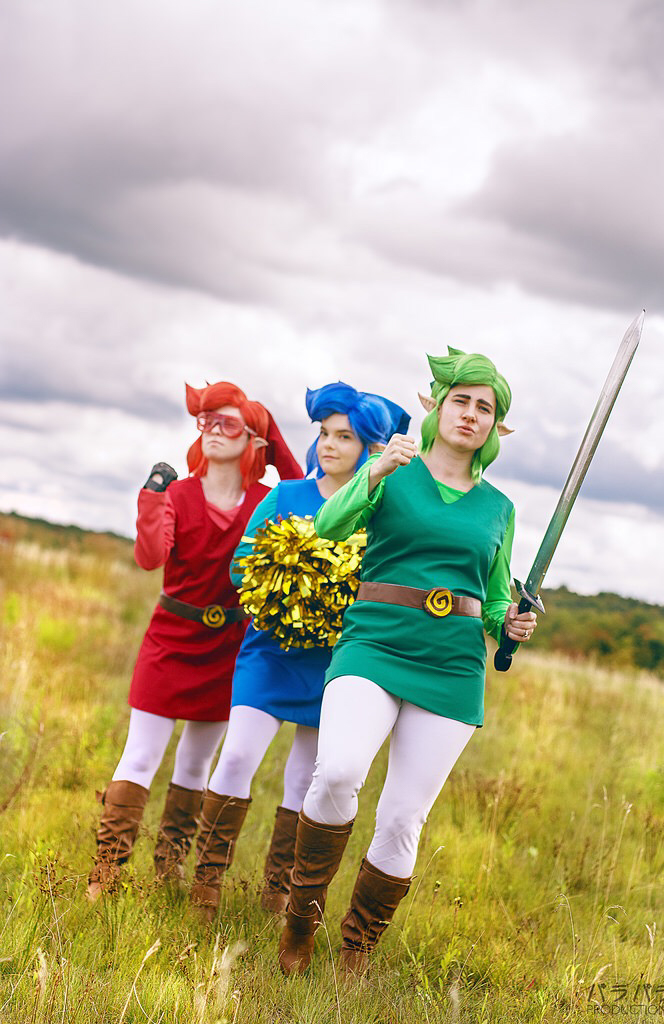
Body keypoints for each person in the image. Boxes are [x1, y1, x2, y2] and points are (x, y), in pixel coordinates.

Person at [277, 348, 539, 976]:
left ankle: (355, 954)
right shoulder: (391, 470)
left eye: (484, 407)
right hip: (373, 642)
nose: (470, 414)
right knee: (338, 771)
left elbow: (494, 597)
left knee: (402, 818)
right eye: (460, 401)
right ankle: (301, 918)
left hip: (452, 666)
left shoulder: (499, 508)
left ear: (496, 427)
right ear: (435, 406)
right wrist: (373, 472)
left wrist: (509, 622)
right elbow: (328, 527)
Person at [189, 382, 410, 923]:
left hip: (331, 662)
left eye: (344, 437)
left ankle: (277, 891)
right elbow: (241, 566)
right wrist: (286, 593)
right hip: (269, 651)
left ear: (369, 448)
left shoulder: (376, 509)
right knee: (236, 756)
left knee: (304, 777)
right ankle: (205, 885)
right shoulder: (285, 495)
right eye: (325, 434)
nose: (330, 445)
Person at [86, 381, 302, 900]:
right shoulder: (178, 493)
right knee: (140, 756)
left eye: (227, 423)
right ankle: (105, 876)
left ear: (253, 438)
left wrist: (274, 438)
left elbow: (304, 491)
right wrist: (151, 498)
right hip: (170, 638)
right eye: (206, 421)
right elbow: (149, 558)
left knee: (195, 764)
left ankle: (169, 869)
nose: (212, 431)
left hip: (229, 646)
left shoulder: (266, 500)